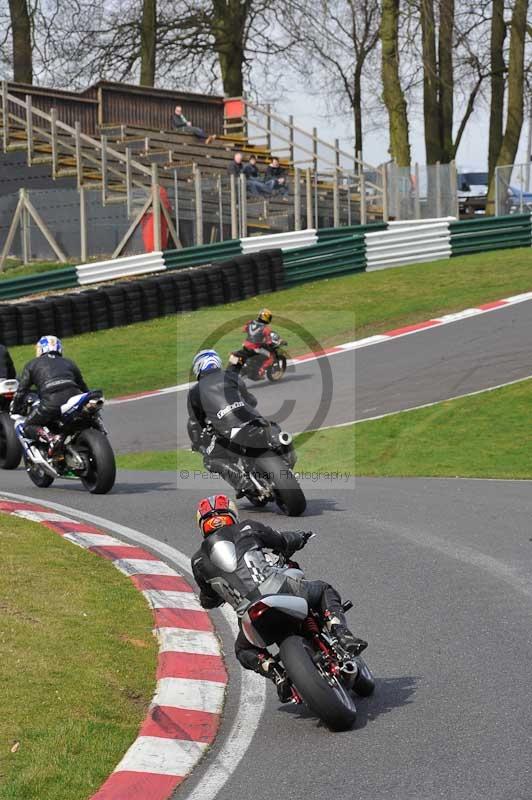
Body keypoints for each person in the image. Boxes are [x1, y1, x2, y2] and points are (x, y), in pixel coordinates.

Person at [191, 494, 368, 702]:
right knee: (322, 590)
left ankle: (278, 675)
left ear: (202, 525)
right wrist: (300, 537)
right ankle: (342, 634)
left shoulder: (197, 562)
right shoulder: (247, 527)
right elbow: (283, 540)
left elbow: (207, 600)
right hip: (278, 588)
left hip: (250, 614)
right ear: (232, 515)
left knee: (242, 650)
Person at [187, 349, 263, 496]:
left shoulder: (195, 391)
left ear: (198, 367)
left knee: (211, 459)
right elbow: (251, 400)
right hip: (256, 421)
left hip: (229, 431)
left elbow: (194, 423)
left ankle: (242, 482)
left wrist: (197, 443)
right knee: (276, 436)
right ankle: (284, 461)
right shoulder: (232, 376)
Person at [11, 335, 89, 451]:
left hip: (51, 403)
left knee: (27, 426)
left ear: (41, 349)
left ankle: (51, 438)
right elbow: (83, 387)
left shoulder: (32, 364)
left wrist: (15, 408)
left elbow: (21, 391)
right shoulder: (69, 362)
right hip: (75, 399)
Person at [240, 308, 276, 377]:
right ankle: (261, 370)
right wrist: (267, 342)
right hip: (255, 347)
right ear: (266, 318)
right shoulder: (266, 329)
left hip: (245, 345)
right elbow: (269, 341)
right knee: (271, 357)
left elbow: (243, 330)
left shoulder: (250, 322)